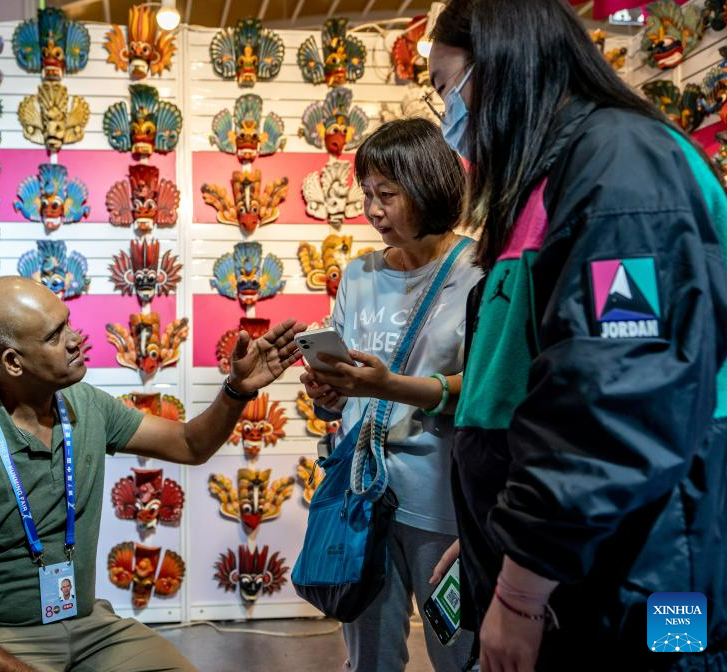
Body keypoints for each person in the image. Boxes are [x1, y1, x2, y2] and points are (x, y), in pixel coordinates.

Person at [427, 1, 727, 670]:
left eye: (446, 86)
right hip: (579, 562)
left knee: (674, 655)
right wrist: (497, 535)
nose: (447, 113)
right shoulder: (554, 178)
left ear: (499, 67)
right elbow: (518, 385)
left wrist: (521, 587)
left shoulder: (621, 167)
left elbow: (618, 395)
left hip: (649, 570)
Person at [0, 276, 305, 672]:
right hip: (2, 637)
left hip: (88, 626)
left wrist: (237, 389)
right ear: (13, 362)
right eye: (54, 336)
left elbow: (190, 445)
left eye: (67, 322)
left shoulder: (85, 405)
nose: (74, 339)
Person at [300, 118, 482, 672]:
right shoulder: (358, 275)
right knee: (369, 661)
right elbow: (344, 394)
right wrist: (329, 392)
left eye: (387, 195)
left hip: (443, 503)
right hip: (362, 497)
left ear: (428, 188)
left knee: (460, 657)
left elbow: (482, 390)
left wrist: (387, 385)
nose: (372, 211)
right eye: (367, 195)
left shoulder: (479, 272)